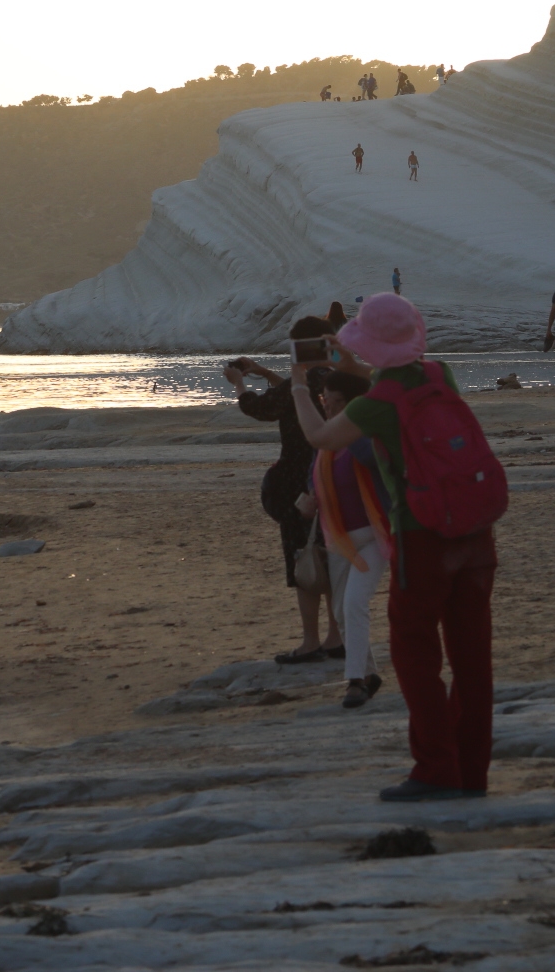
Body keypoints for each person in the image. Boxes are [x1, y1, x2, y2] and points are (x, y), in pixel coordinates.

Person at [288, 293, 499, 801]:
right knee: (472, 658)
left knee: (416, 655)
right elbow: (394, 368)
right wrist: (352, 360)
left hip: (422, 537)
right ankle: (471, 773)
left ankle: (434, 770)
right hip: (475, 533)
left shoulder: (375, 406)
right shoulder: (438, 375)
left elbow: (320, 436)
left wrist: (298, 384)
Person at [225, 314, 345, 664]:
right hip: (334, 479)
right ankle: (336, 638)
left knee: (303, 558)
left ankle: (310, 642)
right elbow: (292, 393)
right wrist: (262, 373)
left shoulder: (302, 382)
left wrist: (238, 384)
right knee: (331, 556)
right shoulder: (335, 382)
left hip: (299, 483)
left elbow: (260, 408)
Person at [294, 370, 388, 708]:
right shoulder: (324, 446)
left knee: (353, 605)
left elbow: (373, 461)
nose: (331, 410)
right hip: (339, 540)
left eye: (339, 404)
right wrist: (306, 501)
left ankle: (355, 682)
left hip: (376, 537)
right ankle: (369, 673)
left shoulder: (365, 437)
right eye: (326, 402)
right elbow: (314, 484)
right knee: (341, 610)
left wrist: (350, 430)